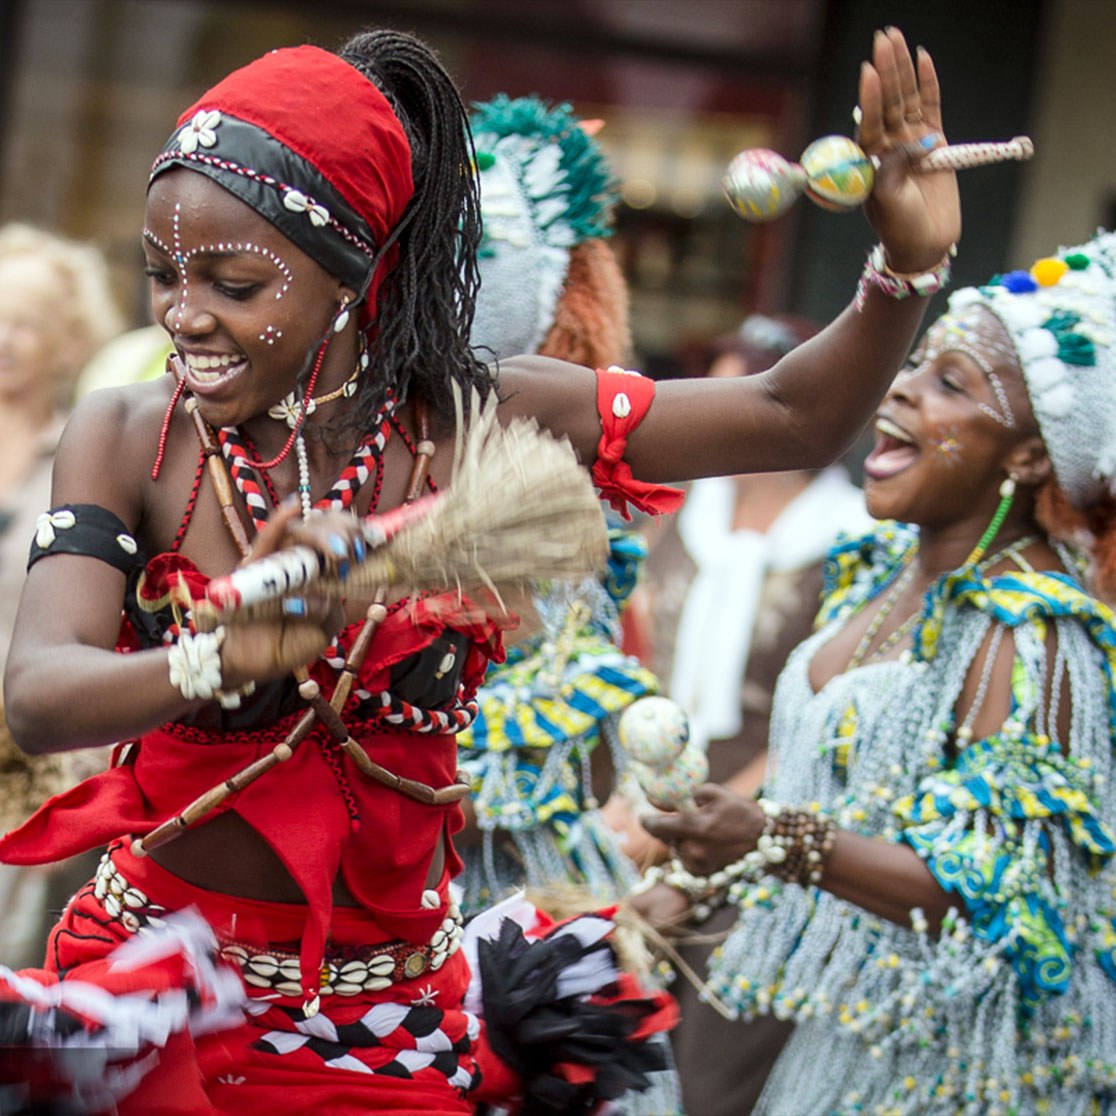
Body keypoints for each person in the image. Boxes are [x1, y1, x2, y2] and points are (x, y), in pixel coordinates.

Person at [0, 24, 958, 1114]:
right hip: (151, 997)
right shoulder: (130, 434)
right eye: (163, 274)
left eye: (232, 281)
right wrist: (219, 659)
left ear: (355, 270)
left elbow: (793, 414)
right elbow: (39, 697)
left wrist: (906, 263)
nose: (183, 314)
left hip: (383, 1025)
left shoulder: (489, 417)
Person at [638, 231, 1116, 1115]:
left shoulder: (1031, 628)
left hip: (955, 1072)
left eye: (951, 384)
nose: (900, 386)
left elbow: (990, 887)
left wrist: (773, 840)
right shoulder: (876, 569)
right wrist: (702, 872)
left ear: (1030, 454)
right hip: (840, 1033)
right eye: (917, 365)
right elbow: (843, 790)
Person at [636, 313, 870, 1115]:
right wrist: (638, 808)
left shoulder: (855, 543)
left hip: (762, 835)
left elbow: (828, 714)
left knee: (708, 1075)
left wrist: (713, 815)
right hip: (637, 817)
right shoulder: (670, 513)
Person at [0, 223, 124, 970]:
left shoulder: (83, 453)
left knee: (11, 949)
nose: (6, 339)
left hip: (23, 751)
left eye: (27, 323)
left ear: (69, 340)